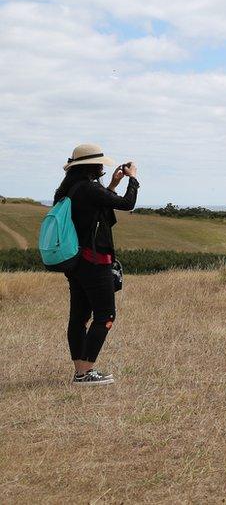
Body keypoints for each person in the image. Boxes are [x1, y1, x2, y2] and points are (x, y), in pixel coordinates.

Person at [53, 143, 139, 386]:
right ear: (93, 166)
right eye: (100, 163)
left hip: (75, 262)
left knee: (79, 318)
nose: (103, 166)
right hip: (94, 261)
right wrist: (133, 179)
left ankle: (80, 372)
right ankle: (85, 372)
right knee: (105, 315)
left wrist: (112, 184)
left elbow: (97, 213)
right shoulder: (89, 189)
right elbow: (126, 204)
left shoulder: (69, 190)